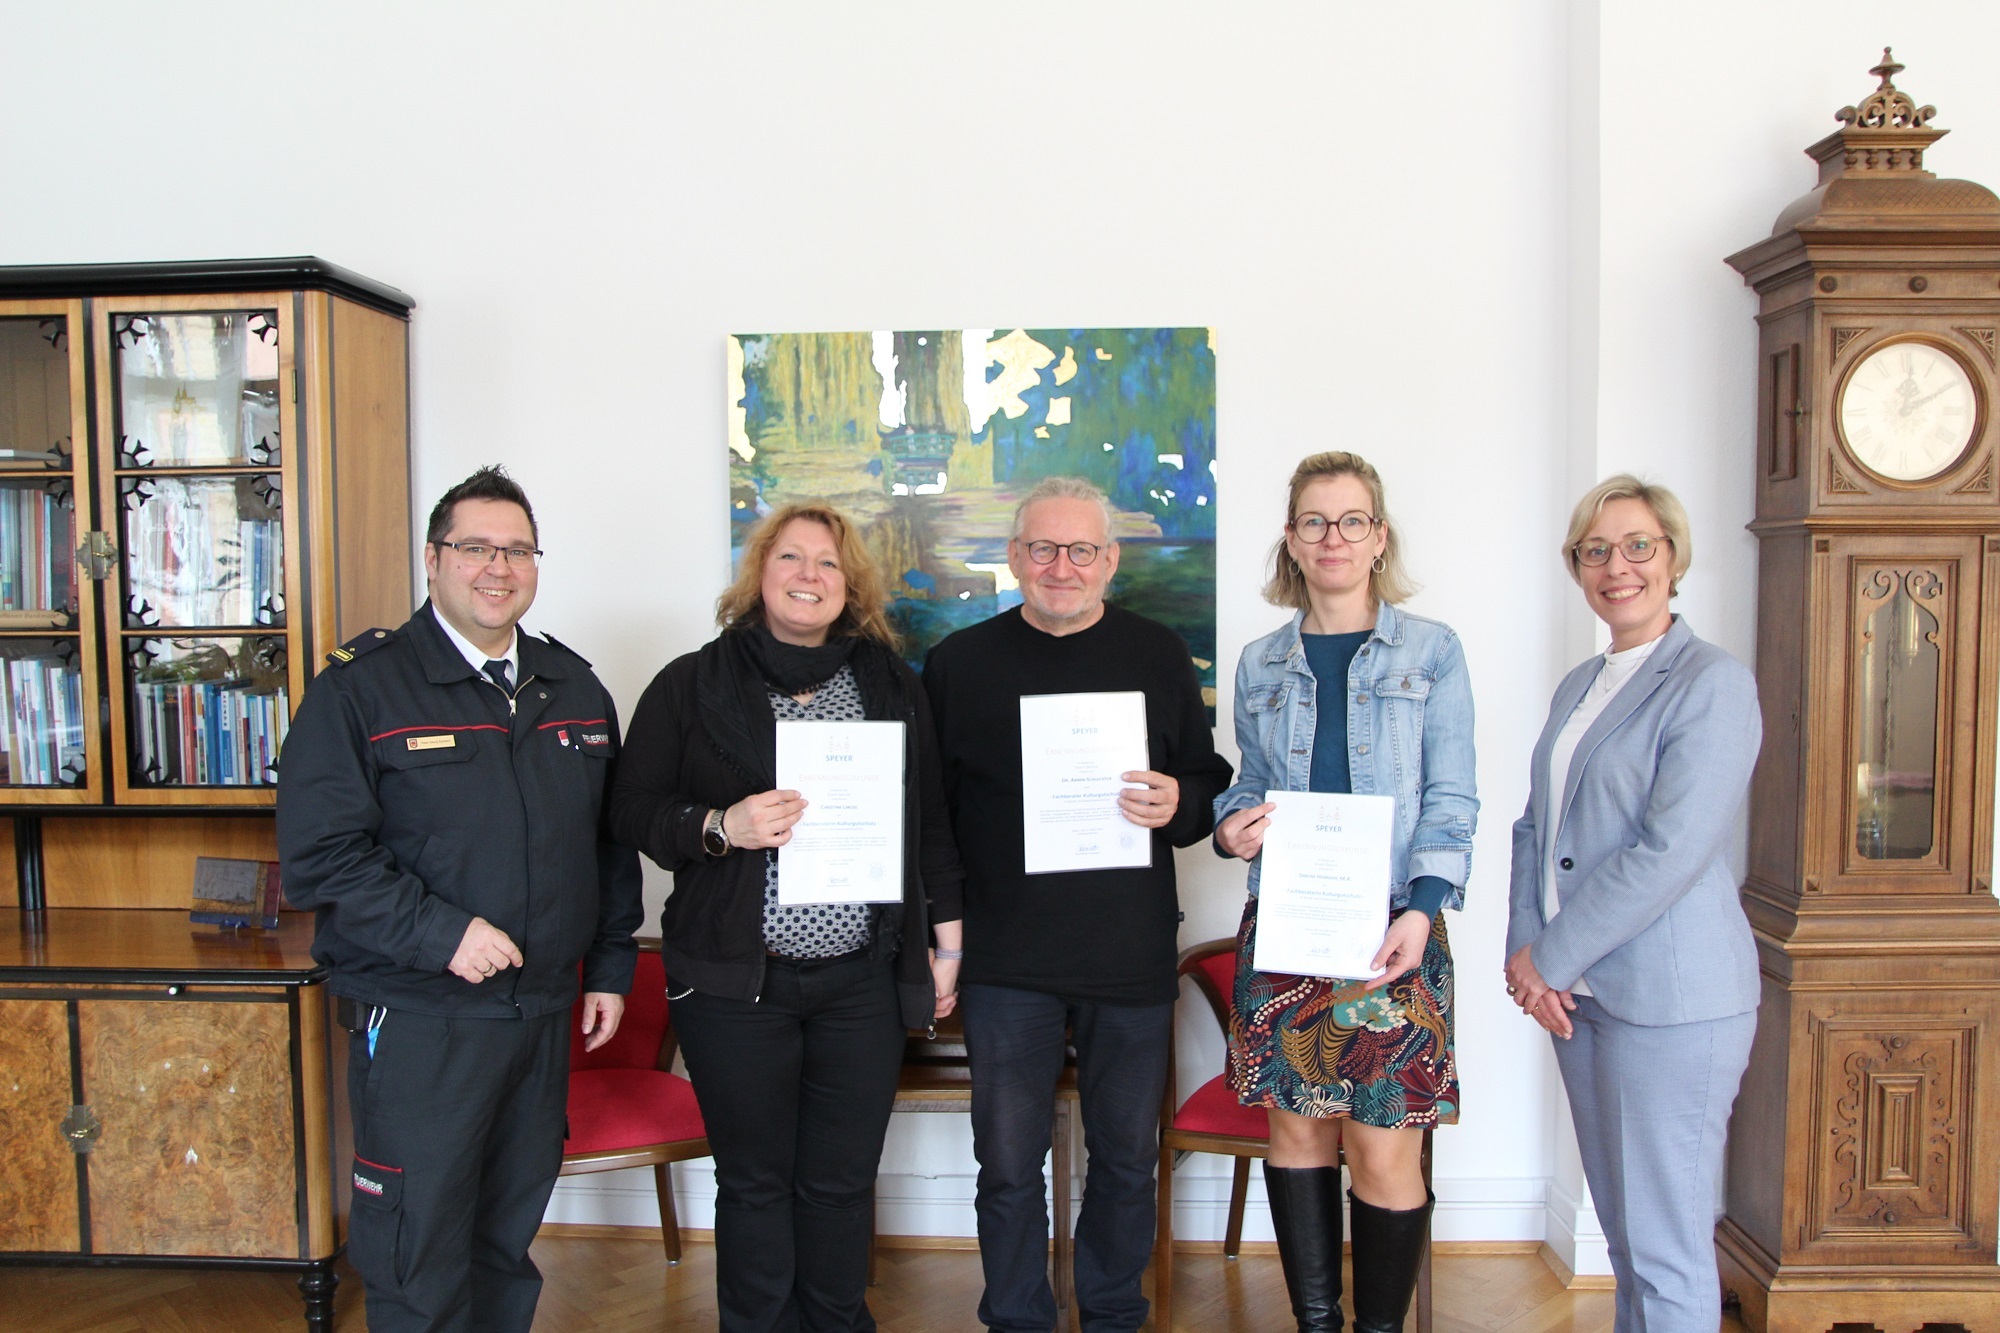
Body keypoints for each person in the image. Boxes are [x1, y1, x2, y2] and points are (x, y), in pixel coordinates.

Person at [276, 465, 643, 1333]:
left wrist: (613, 966)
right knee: (417, 1244)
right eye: (476, 547)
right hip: (420, 1016)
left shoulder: (574, 687)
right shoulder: (359, 689)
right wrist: (443, 933)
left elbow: (608, 843)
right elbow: (321, 858)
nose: (498, 567)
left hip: (542, 1011)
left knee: (504, 1241)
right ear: (434, 558)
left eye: (517, 550)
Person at [607, 502, 963, 1333]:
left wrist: (948, 942)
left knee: (841, 1182)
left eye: (829, 564)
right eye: (792, 558)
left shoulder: (890, 683)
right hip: (735, 983)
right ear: (759, 574)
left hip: (861, 982)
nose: (810, 575)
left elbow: (932, 825)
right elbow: (629, 809)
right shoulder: (691, 682)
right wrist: (720, 826)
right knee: (756, 1181)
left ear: (851, 586)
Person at [922, 475, 1234, 1333]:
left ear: (1111, 561)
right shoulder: (958, 665)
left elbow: (1206, 778)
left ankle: (1111, 1312)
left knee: (1128, 1157)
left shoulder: (1159, 654)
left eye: (1082, 549)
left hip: (1126, 953)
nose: (1063, 566)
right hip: (1004, 961)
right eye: (1044, 548)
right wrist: (939, 938)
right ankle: (1018, 1318)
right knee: (1009, 1163)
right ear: (1016, 557)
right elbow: (932, 818)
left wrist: (1181, 801)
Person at [1212, 451, 1477, 1333]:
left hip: (1395, 927)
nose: (1333, 537)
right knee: (1298, 1134)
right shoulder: (1260, 662)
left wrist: (1422, 906)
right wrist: (1229, 824)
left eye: (1351, 520)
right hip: (1288, 927)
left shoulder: (1432, 651)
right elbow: (1250, 783)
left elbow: (1452, 797)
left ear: (1378, 536)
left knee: (1382, 1141)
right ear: (1291, 539)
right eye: (1315, 521)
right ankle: (1316, 1326)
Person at [1505, 475, 1761, 1333]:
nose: (1618, 566)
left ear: (1674, 556)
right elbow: (1538, 825)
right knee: (1624, 1238)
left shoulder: (1711, 683)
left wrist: (1551, 956)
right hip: (1587, 999)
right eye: (1596, 550)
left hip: (1674, 1005)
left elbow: (1671, 852)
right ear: (1577, 567)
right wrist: (1527, 953)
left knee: (1668, 1247)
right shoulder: (1585, 681)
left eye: (1638, 545)